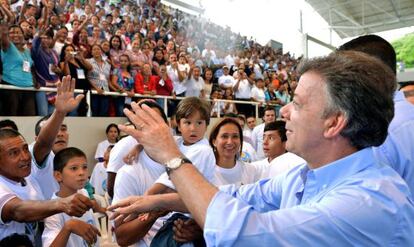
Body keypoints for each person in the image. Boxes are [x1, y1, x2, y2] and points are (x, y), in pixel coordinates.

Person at [109, 51, 414, 246]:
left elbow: (242, 232)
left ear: (334, 122)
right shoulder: (306, 176)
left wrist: (172, 157)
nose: (284, 112)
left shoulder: (366, 203)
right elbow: (234, 197)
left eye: (297, 103)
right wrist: (154, 203)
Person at [338, 34, 414, 196]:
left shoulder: (378, 133)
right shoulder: (406, 117)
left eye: (343, 77)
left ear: (370, 77)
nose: (335, 86)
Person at [42, 147, 103, 246]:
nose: (81, 173)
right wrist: (69, 227)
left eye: (84, 167)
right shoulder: (54, 211)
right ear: (58, 175)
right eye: (74, 168)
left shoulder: (83, 192)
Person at [0, 24, 36, 116]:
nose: (15, 35)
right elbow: (3, 37)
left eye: (18, 32)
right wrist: (4, 31)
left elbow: (30, 67)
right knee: (12, 117)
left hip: (28, 88)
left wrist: (34, 80)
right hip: (11, 87)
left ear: (23, 35)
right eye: (11, 33)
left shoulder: (27, 51)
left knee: (29, 118)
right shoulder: (7, 47)